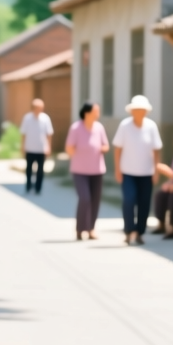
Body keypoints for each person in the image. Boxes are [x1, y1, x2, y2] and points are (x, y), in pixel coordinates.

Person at [113, 95, 163, 246]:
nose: (139, 112)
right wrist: (117, 169)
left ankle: (140, 232)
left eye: (142, 110)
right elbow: (118, 149)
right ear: (132, 111)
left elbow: (156, 150)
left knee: (144, 203)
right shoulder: (124, 126)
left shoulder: (151, 126)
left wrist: (156, 171)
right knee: (129, 200)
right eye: (136, 110)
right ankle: (129, 231)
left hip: (146, 172)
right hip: (128, 172)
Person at [67, 102, 109, 241]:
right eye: (96, 111)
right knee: (85, 198)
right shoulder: (76, 128)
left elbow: (106, 145)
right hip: (80, 171)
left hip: (97, 170)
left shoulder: (99, 127)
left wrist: (102, 149)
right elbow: (69, 147)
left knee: (95, 200)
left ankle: (91, 229)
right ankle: (80, 229)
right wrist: (78, 154)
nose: (98, 114)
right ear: (87, 113)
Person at [18, 98, 54, 195]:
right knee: (29, 169)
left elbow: (49, 134)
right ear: (33, 108)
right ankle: (28, 186)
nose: (39, 109)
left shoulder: (45, 118)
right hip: (30, 148)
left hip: (41, 149)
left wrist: (49, 147)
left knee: (40, 170)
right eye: (37, 107)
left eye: (41, 107)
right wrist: (22, 146)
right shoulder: (27, 118)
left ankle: (38, 188)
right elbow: (23, 133)